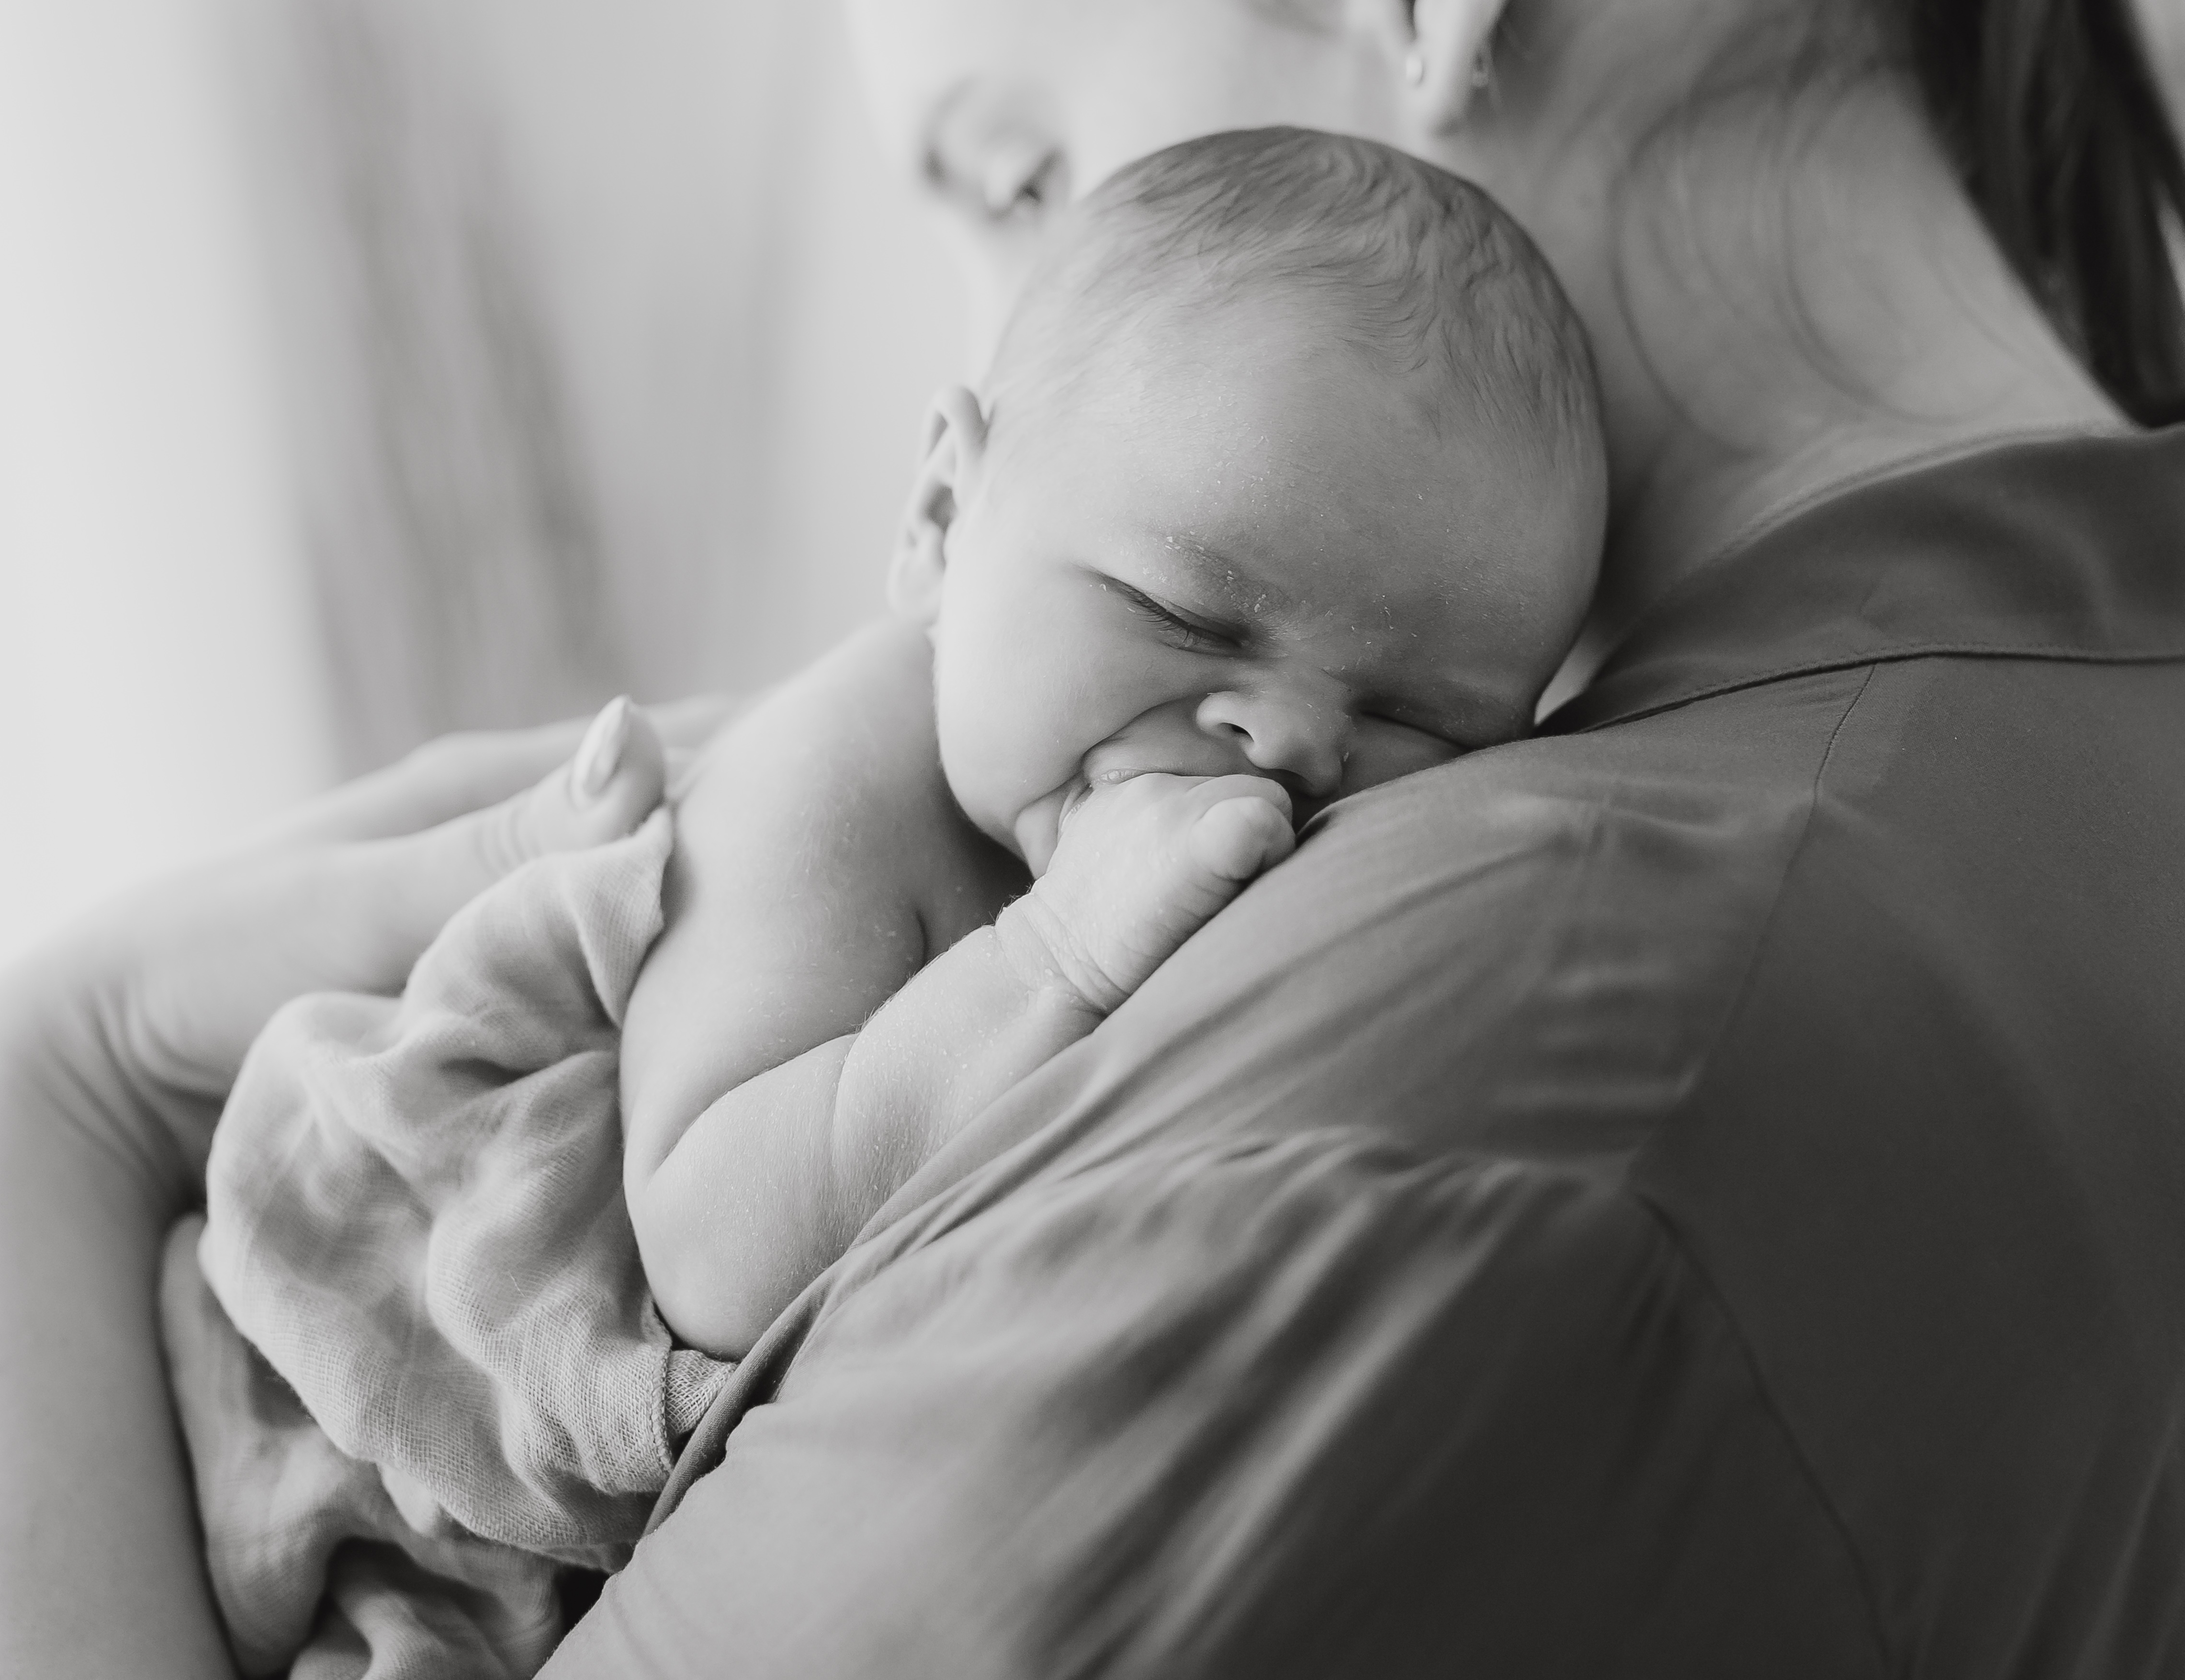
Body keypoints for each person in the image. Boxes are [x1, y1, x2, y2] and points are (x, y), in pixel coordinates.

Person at [0, 0, 2185, 1677]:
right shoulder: (2134, 699)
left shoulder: (1476, 1070)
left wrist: (50, 1094)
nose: (987, 379)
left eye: (1026, 177)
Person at [161, 128, 1604, 1674]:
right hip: (359, 1413)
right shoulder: (838, 780)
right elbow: (710, 1248)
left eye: (1423, 717)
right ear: (939, 518)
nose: (1297, 740)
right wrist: (1047, 956)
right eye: (1189, 613)